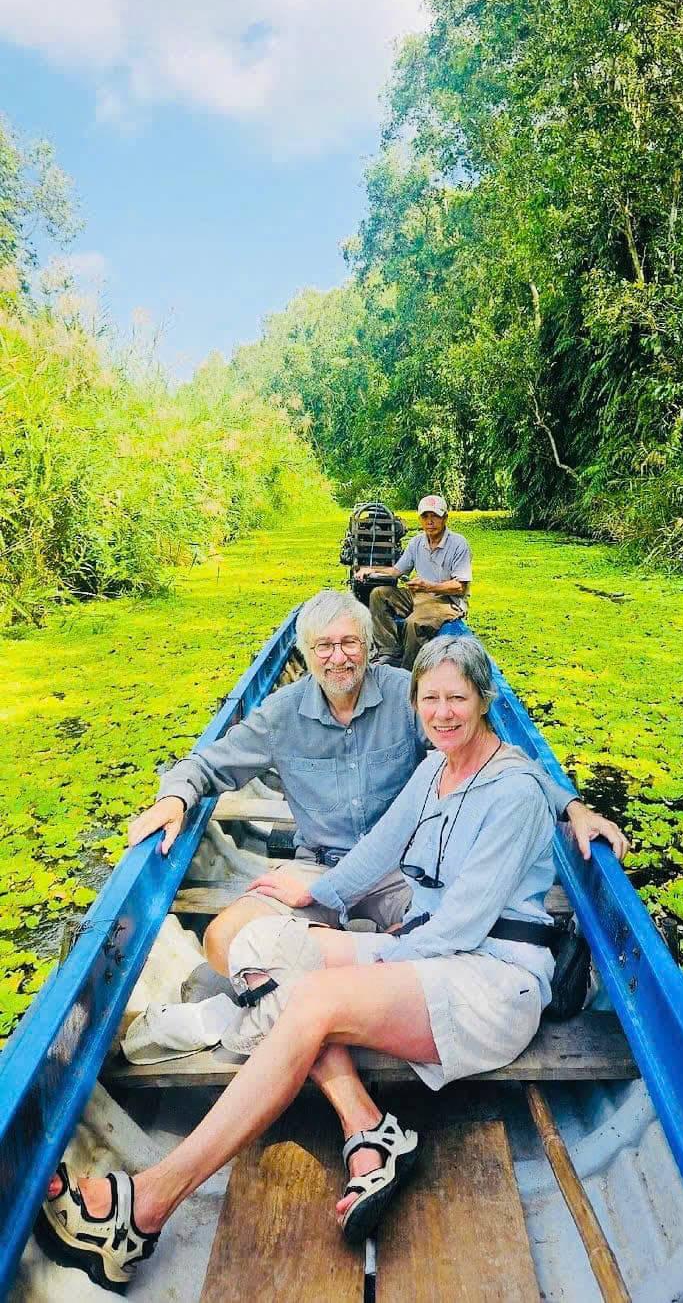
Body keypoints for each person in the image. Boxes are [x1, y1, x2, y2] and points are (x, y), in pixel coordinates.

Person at [38, 637, 583, 1291]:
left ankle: (147, 1205)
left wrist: (344, 977)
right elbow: (379, 848)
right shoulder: (438, 768)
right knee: (258, 943)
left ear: (484, 700)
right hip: (425, 945)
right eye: (430, 697)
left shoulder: (516, 789)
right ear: (417, 702)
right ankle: (371, 1127)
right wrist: (312, 894)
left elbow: (461, 926)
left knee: (311, 999)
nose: (442, 712)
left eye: (456, 698)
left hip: (490, 979)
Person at [127, 590, 626, 973]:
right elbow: (207, 765)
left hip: (405, 870)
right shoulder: (280, 714)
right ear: (304, 654)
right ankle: (343, 986)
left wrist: (573, 807)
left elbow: (496, 756)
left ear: (368, 647)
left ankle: (339, 986)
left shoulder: (407, 696)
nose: (338, 658)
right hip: (318, 871)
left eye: (349, 643)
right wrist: (175, 796)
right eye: (324, 646)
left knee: (458, 943)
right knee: (225, 939)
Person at [357, 494, 471, 669]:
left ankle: (409, 670)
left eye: (435, 516)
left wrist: (428, 586)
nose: (430, 521)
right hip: (418, 595)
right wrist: (370, 570)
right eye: (425, 516)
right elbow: (396, 571)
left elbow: (460, 587)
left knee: (414, 623)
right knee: (379, 594)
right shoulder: (417, 542)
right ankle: (389, 651)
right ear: (420, 519)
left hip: (446, 601)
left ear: (445, 518)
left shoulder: (458, 543)